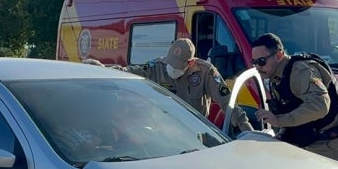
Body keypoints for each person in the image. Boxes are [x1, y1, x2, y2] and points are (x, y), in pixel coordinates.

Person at [85, 38, 253, 134]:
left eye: (178, 65)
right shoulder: (157, 66)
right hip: (163, 134)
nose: (172, 69)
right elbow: (128, 72)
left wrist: (245, 126)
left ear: (191, 62)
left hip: (195, 133)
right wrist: (101, 68)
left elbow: (227, 101)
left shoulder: (205, 72)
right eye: (170, 63)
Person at [251, 33, 338, 165]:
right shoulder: (276, 77)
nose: (257, 67)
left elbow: (320, 105)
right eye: (254, 62)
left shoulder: (301, 71)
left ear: (279, 55)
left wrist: (279, 120)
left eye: (261, 62)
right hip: (313, 143)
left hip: (334, 143)